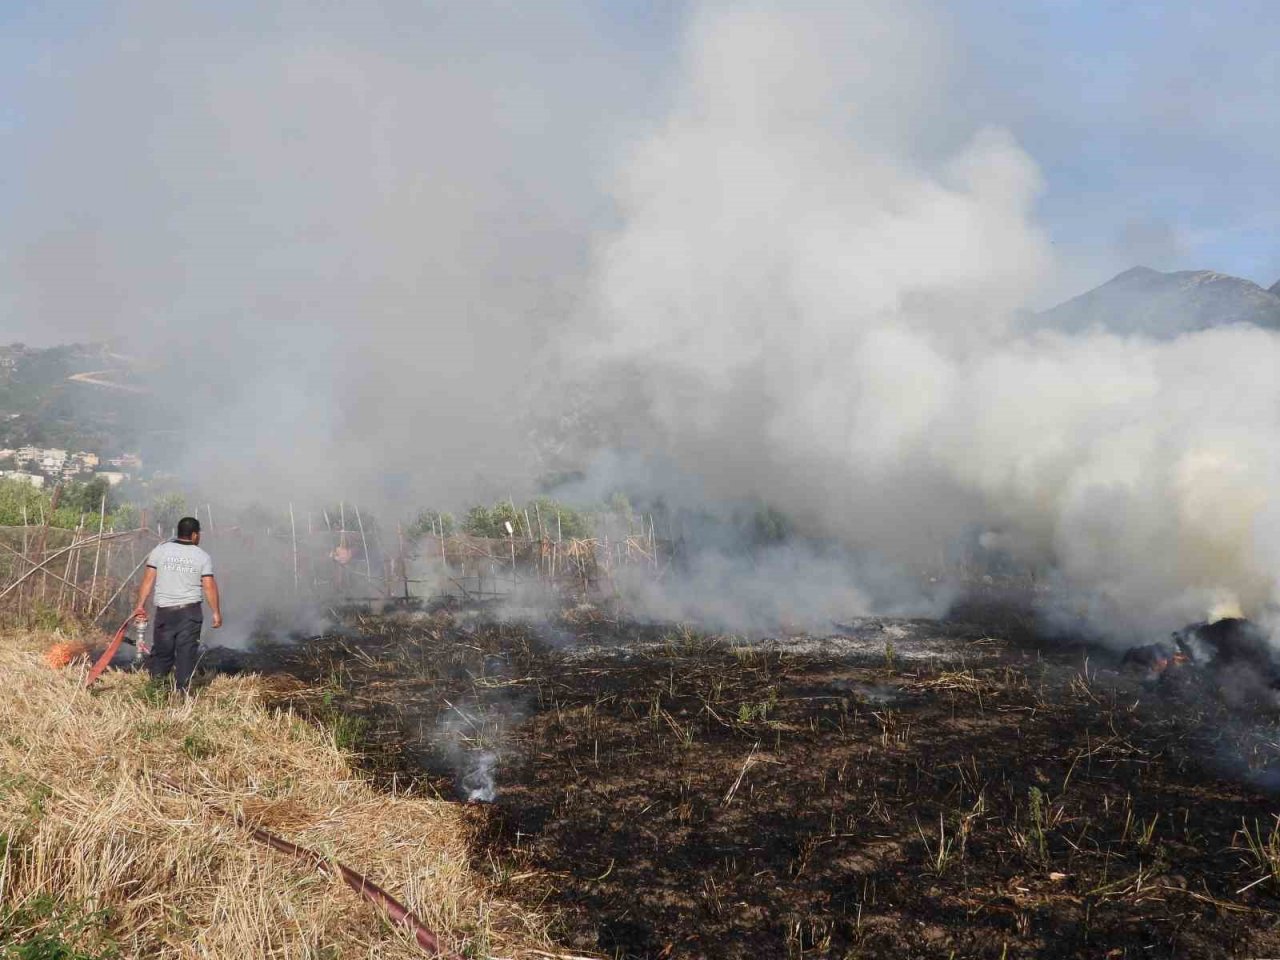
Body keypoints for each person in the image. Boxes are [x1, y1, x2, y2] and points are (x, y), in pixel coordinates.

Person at [132, 516, 222, 692]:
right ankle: (182, 693)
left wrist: (140, 605)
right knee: (186, 654)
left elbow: (148, 579)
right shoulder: (202, 556)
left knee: (162, 653)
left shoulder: (160, 550)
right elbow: (209, 585)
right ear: (195, 535)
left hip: (165, 613)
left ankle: (156, 691)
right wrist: (216, 612)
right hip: (190, 613)